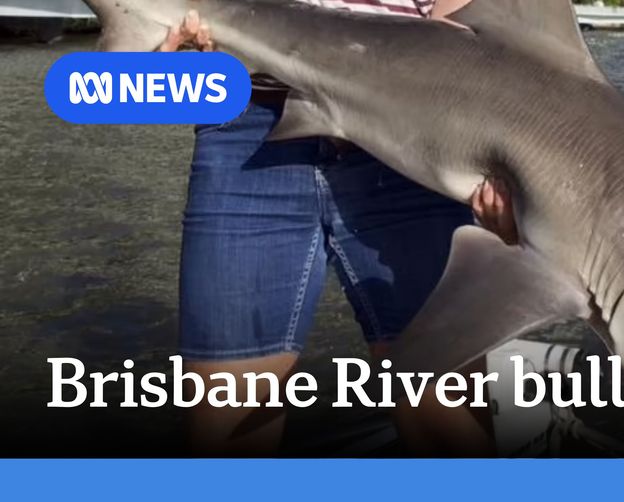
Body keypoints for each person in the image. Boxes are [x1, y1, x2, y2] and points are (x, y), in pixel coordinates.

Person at [165, 0, 517, 456]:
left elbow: (463, 23)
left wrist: (503, 159)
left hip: (406, 122)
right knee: (227, 432)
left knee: (445, 427)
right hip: (246, 113)